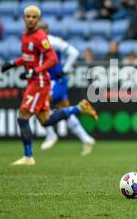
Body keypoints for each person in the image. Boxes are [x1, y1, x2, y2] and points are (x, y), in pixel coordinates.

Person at [0, 6, 98, 166]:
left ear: (39, 20)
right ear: (24, 18)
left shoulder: (41, 38)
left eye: (34, 17)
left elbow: (52, 59)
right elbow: (28, 57)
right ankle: (79, 109)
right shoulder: (25, 35)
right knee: (46, 120)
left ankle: (28, 156)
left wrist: (35, 71)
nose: (31, 19)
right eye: (28, 16)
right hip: (36, 81)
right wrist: (13, 63)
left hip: (40, 82)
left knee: (23, 116)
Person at [38, 22, 96, 155]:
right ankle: (86, 138)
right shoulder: (36, 44)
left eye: (42, 29)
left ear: (46, 30)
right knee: (65, 111)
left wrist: (65, 69)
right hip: (50, 81)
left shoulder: (52, 41)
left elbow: (74, 52)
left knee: (40, 103)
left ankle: (51, 135)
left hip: (56, 80)